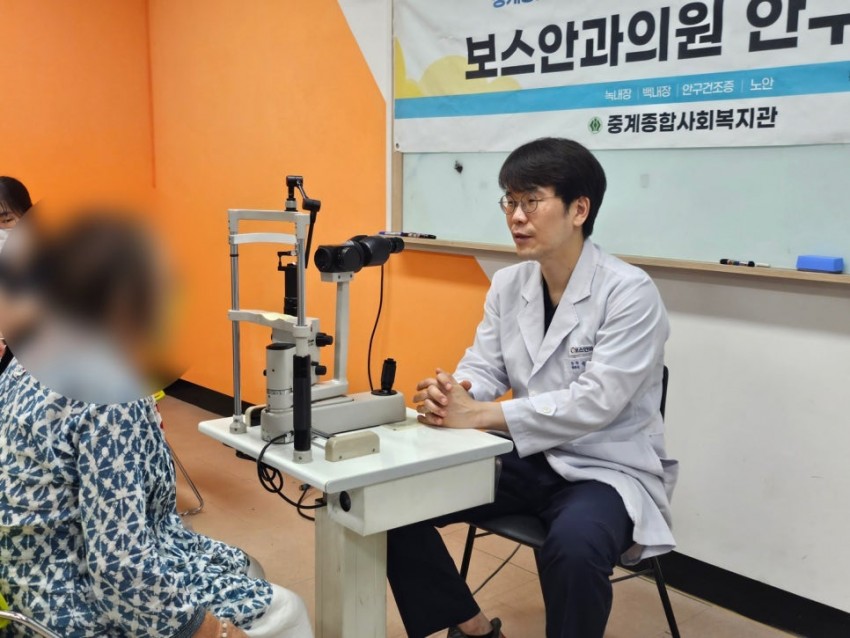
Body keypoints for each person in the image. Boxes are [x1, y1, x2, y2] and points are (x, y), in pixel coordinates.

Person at [387, 138, 678, 638]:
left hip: (604, 468)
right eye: (510, 201)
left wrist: (478, 415)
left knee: (576, 547)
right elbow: (486, 365)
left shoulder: (629, 292)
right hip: (528, 456)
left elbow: (596, 402)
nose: (516, 217)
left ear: (579, 210)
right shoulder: (510, 284)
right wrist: (455, 391)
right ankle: (474, 629)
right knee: (389, 497)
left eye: (531, 201)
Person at [0, 210, 313, 637]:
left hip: (26, 577)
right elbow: (122, 572)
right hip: (70, 605)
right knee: (287, 611)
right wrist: (210, 630)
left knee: (235, 563)